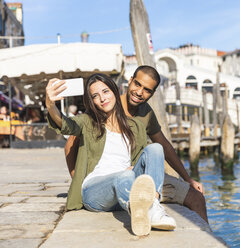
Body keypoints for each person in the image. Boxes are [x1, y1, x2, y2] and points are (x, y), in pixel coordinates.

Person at [65, 65, 208, 222]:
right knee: (124, 180)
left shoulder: (146, 113)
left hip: (141, 175)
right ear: (130, 80)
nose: (139, 92)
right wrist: (77, 179)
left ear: (152, 93)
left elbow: (164, 146)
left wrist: (188, 178)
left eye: (147, 90)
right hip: (112, 181)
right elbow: (71, 144)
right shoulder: (107, 103)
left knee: (196, 198)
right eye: (137, 84)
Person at [46, 73, 176, 236]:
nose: (102, 98)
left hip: (125, 187)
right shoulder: (87, 122)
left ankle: (152, 206)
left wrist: (134, 168)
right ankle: (147, 212)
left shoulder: (135, 126)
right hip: (95, 191)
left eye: (105, 91)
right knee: (124, 176)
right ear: (91, 101)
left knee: (155, 148)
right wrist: (50, 105)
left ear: (114, 91)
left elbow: (141, 161)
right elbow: (66, 124)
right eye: (95, 95)